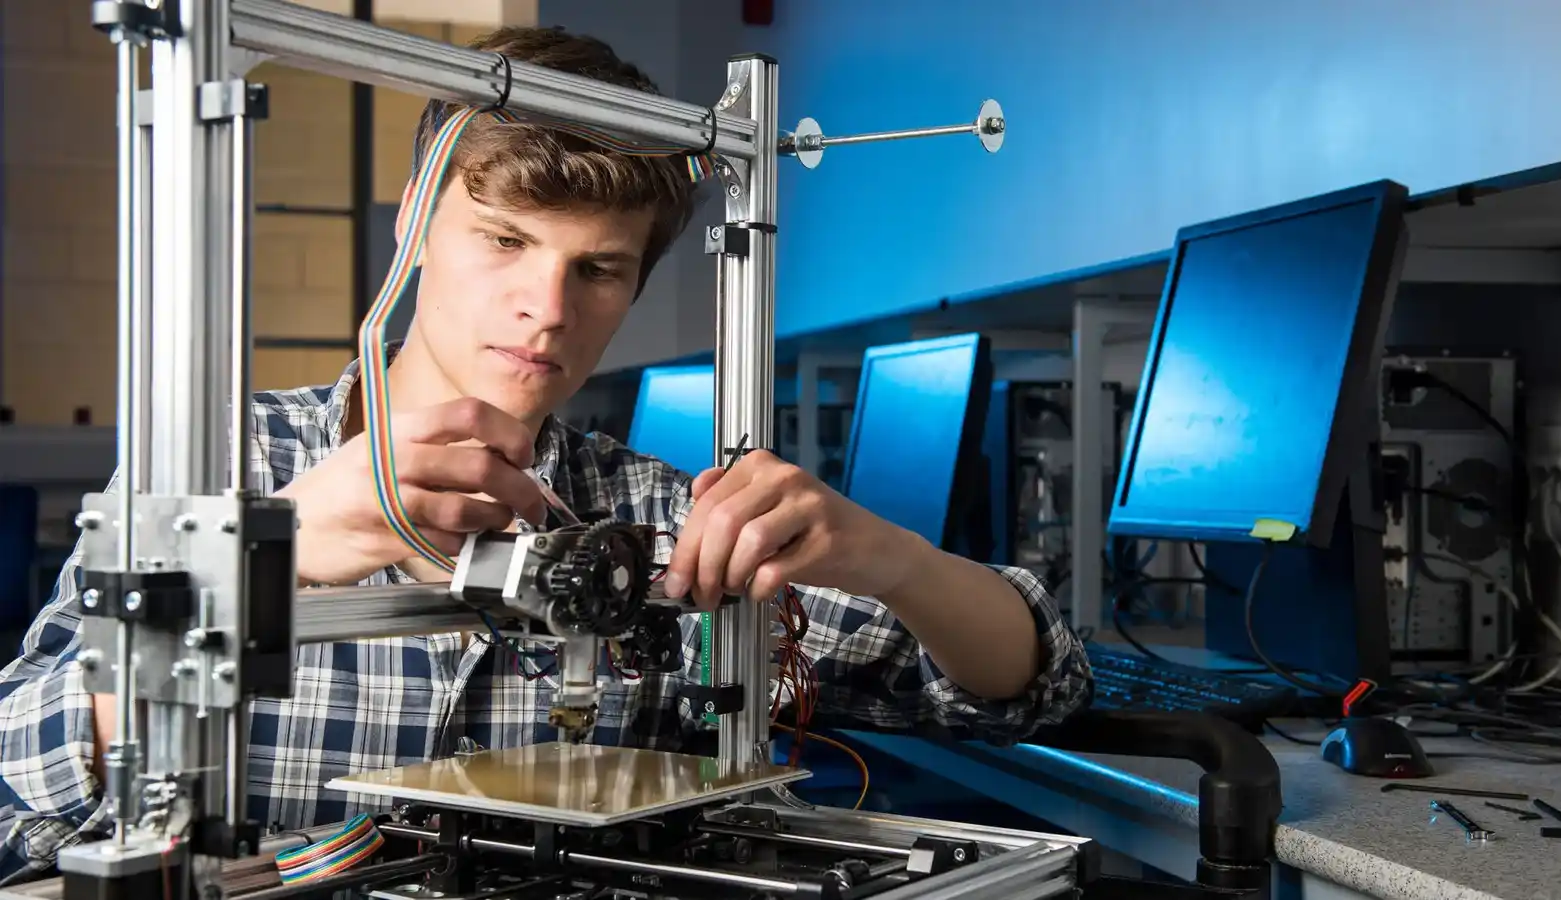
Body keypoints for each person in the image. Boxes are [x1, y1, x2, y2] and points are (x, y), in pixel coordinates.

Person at [0, 24, 1091, 884]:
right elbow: (13, 784)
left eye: (599, 271)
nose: (545, 310)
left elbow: (1028, 685)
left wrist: (886, 556)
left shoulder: (655, 517)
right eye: (505, 242)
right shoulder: (217, 464)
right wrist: (265, 568)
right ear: (414, 232)